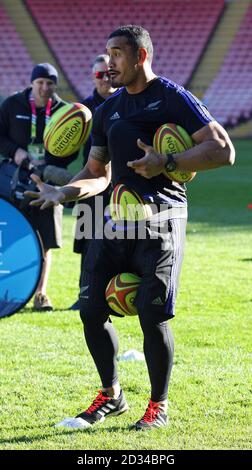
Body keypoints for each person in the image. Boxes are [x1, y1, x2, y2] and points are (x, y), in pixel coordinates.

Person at [26, 26, 235, 430]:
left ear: (140, 56)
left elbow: (223, 150)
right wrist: (63, 192)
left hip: (162, 220)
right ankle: (111, 394)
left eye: (117, 55)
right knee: (90, 309)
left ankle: (158, 404)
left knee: (151, 314)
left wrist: (168, 164)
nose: (109, 65)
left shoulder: (172, 98)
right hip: (114, 220)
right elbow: (96, 173)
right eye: (107, 55)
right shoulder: (108, 111)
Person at [0, 63, 77, 311]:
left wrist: (52, 163)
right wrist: (18, 152)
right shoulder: (13, 104)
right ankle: (7, 288)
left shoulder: (63, 112)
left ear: (55, 86)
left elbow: (71, 148)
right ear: (32, 83)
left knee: (45, 240)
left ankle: (41, 294)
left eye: (49, 83)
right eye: (40, 83)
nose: (44, 88)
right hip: (13, 179)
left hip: (47, 184)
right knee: (9, 234)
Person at [69, 54, 117, 310]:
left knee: (119, 242)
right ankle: (84, 295)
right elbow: (65, 150)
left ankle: (116, 296)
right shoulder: (83, 111)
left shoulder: (127, 103)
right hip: (92, 185)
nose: (105, 79)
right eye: (99, 74)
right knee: (88, 243)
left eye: (108, 73)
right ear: (92, 77)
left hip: (122, 187)